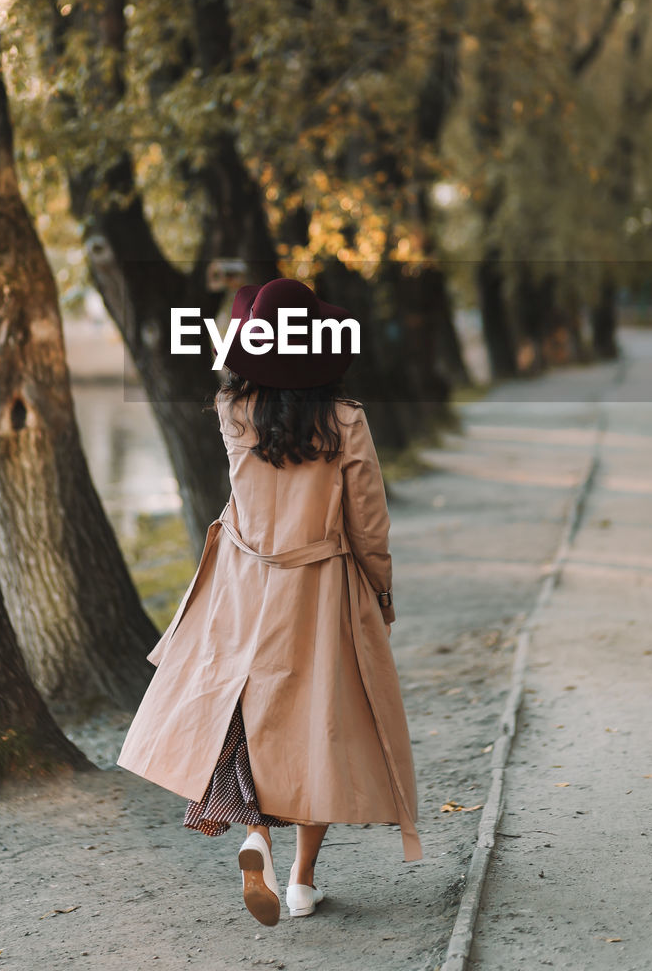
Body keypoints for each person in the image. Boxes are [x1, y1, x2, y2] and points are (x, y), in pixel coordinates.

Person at [116, 278, 422, 927]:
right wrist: (381, 590)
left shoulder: (234, 412)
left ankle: (255, 834)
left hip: (243, 584)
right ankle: (302, 883)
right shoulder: (346, 421)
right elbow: (368, 522)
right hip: (320, 590)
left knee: (245, 722)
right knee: (318, 731)